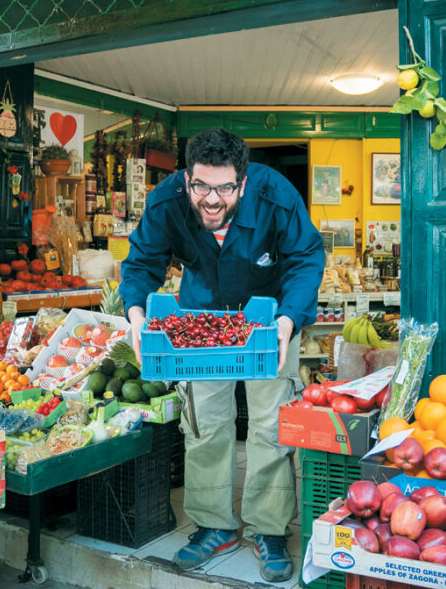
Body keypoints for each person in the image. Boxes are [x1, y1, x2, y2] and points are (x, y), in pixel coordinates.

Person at [118, 128, 325, 582]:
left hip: (271, 325)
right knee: (204, 423)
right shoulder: (166, 200)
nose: (212, 200)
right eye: (201, 186)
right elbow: (141, 262)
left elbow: (306, 258)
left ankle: (268, 528)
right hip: (200, 322)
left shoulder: (276, 196)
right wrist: (135, 313)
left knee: (271, 426)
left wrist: (289, 320)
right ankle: (215, 524)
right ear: (186, 178)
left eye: (225, 188)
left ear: (243, 183)